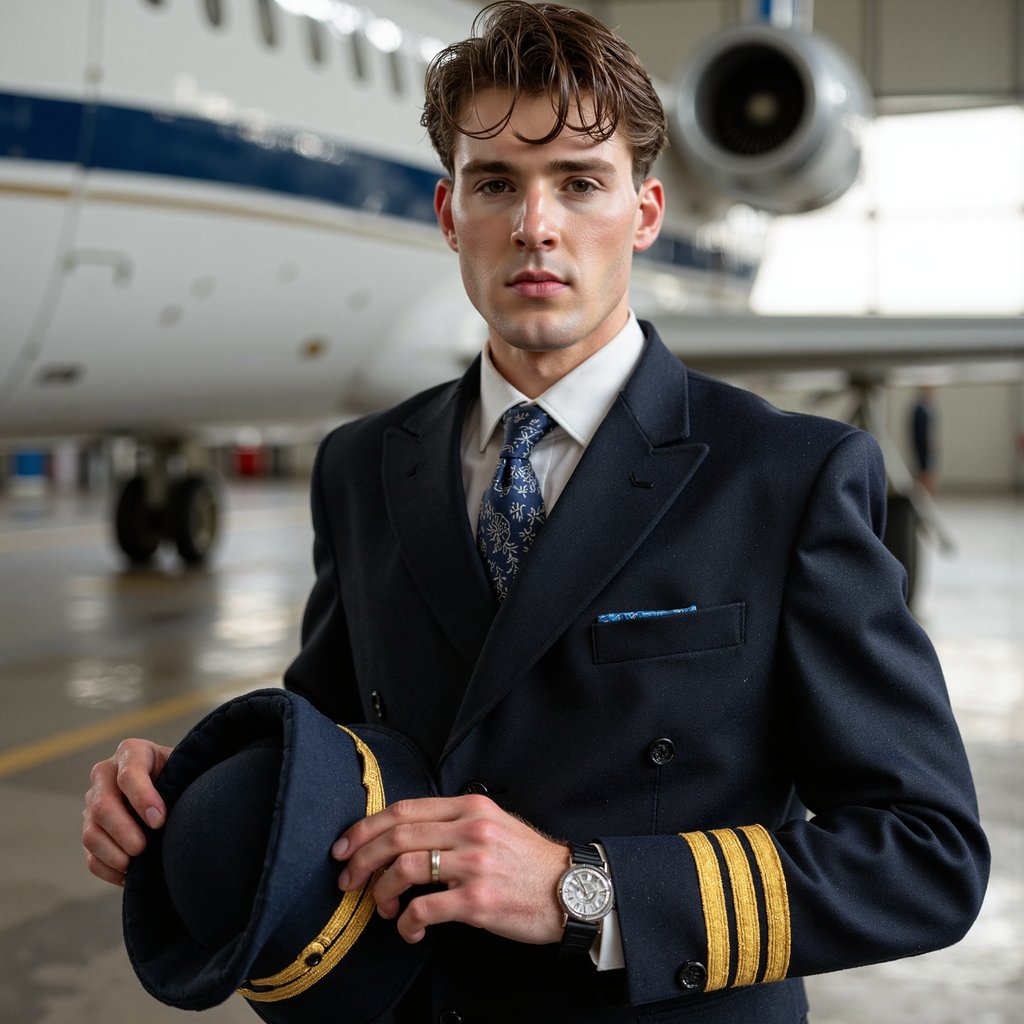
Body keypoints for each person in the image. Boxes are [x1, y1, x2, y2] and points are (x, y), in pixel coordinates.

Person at [83, 4, 988, 1022]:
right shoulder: (362, 467)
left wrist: (578, 886)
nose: (535, 226)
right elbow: (345, 755)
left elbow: (926, 854)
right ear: (447, 210)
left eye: (579, 183)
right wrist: (192, 796)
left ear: (644, 213)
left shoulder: (784, 476)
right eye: (497, 183)